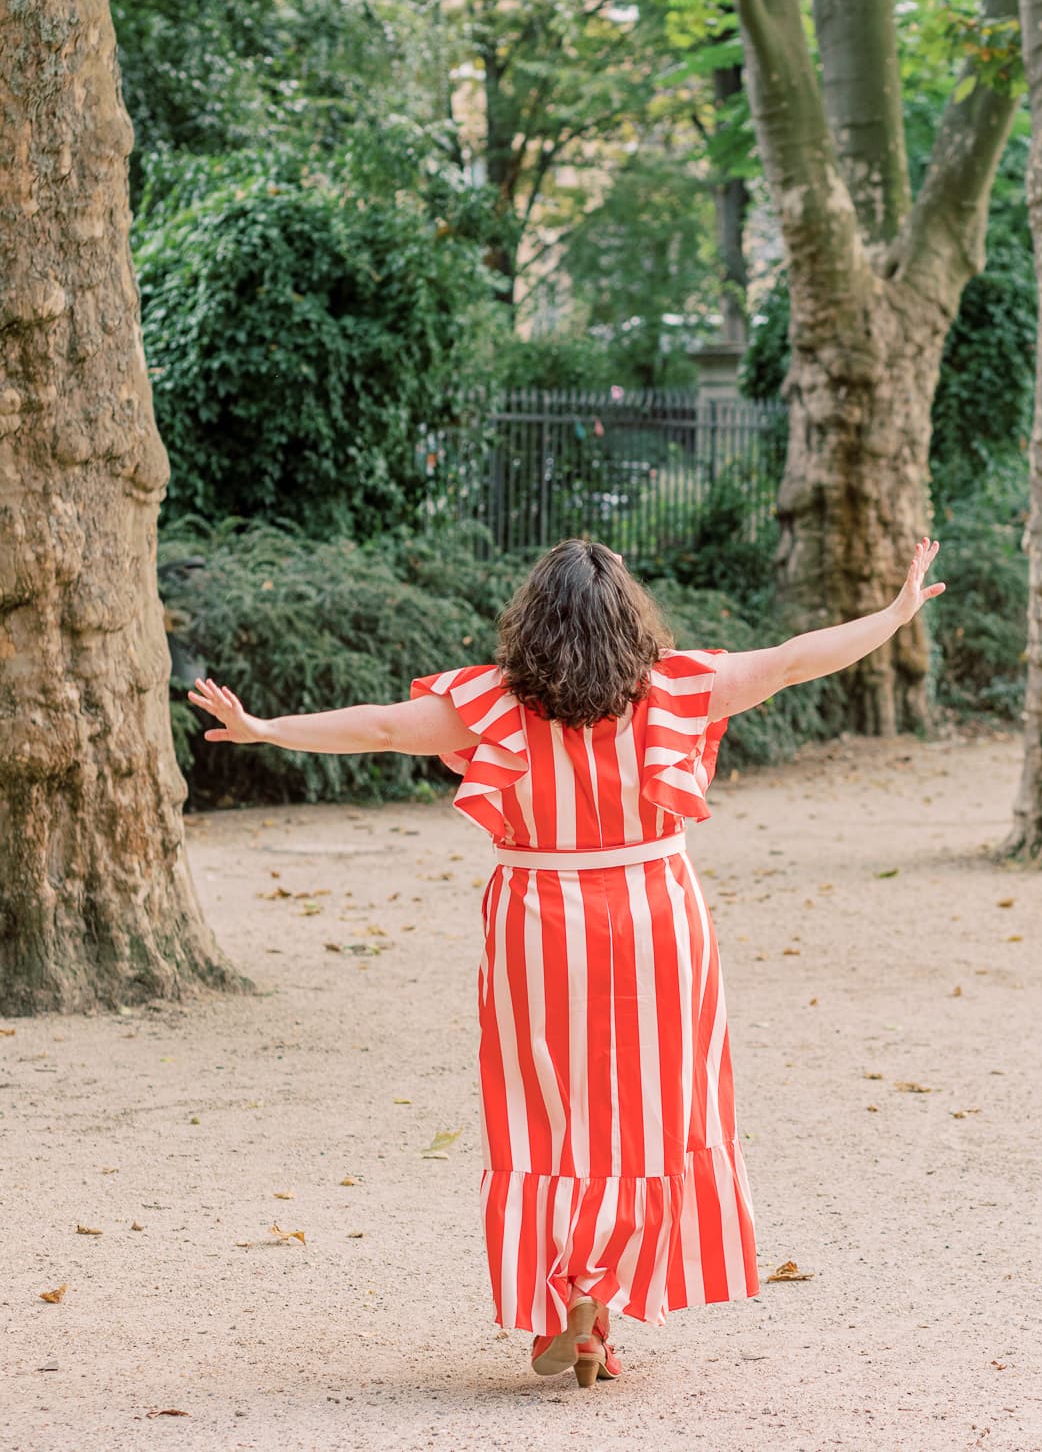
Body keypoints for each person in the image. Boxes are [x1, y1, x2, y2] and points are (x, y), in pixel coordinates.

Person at [188, 534, 944, 1387]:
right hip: (656, 916)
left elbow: (386, 727)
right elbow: (796, 660)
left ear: (533, 622)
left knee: (550, 1116)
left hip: (538, 927)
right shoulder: (679, 688)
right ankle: (602, 1307)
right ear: (630, 620)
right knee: (649, 1114)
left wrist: (266, 728)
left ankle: (570, 1305)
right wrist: (894, 611)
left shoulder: (490, 703)